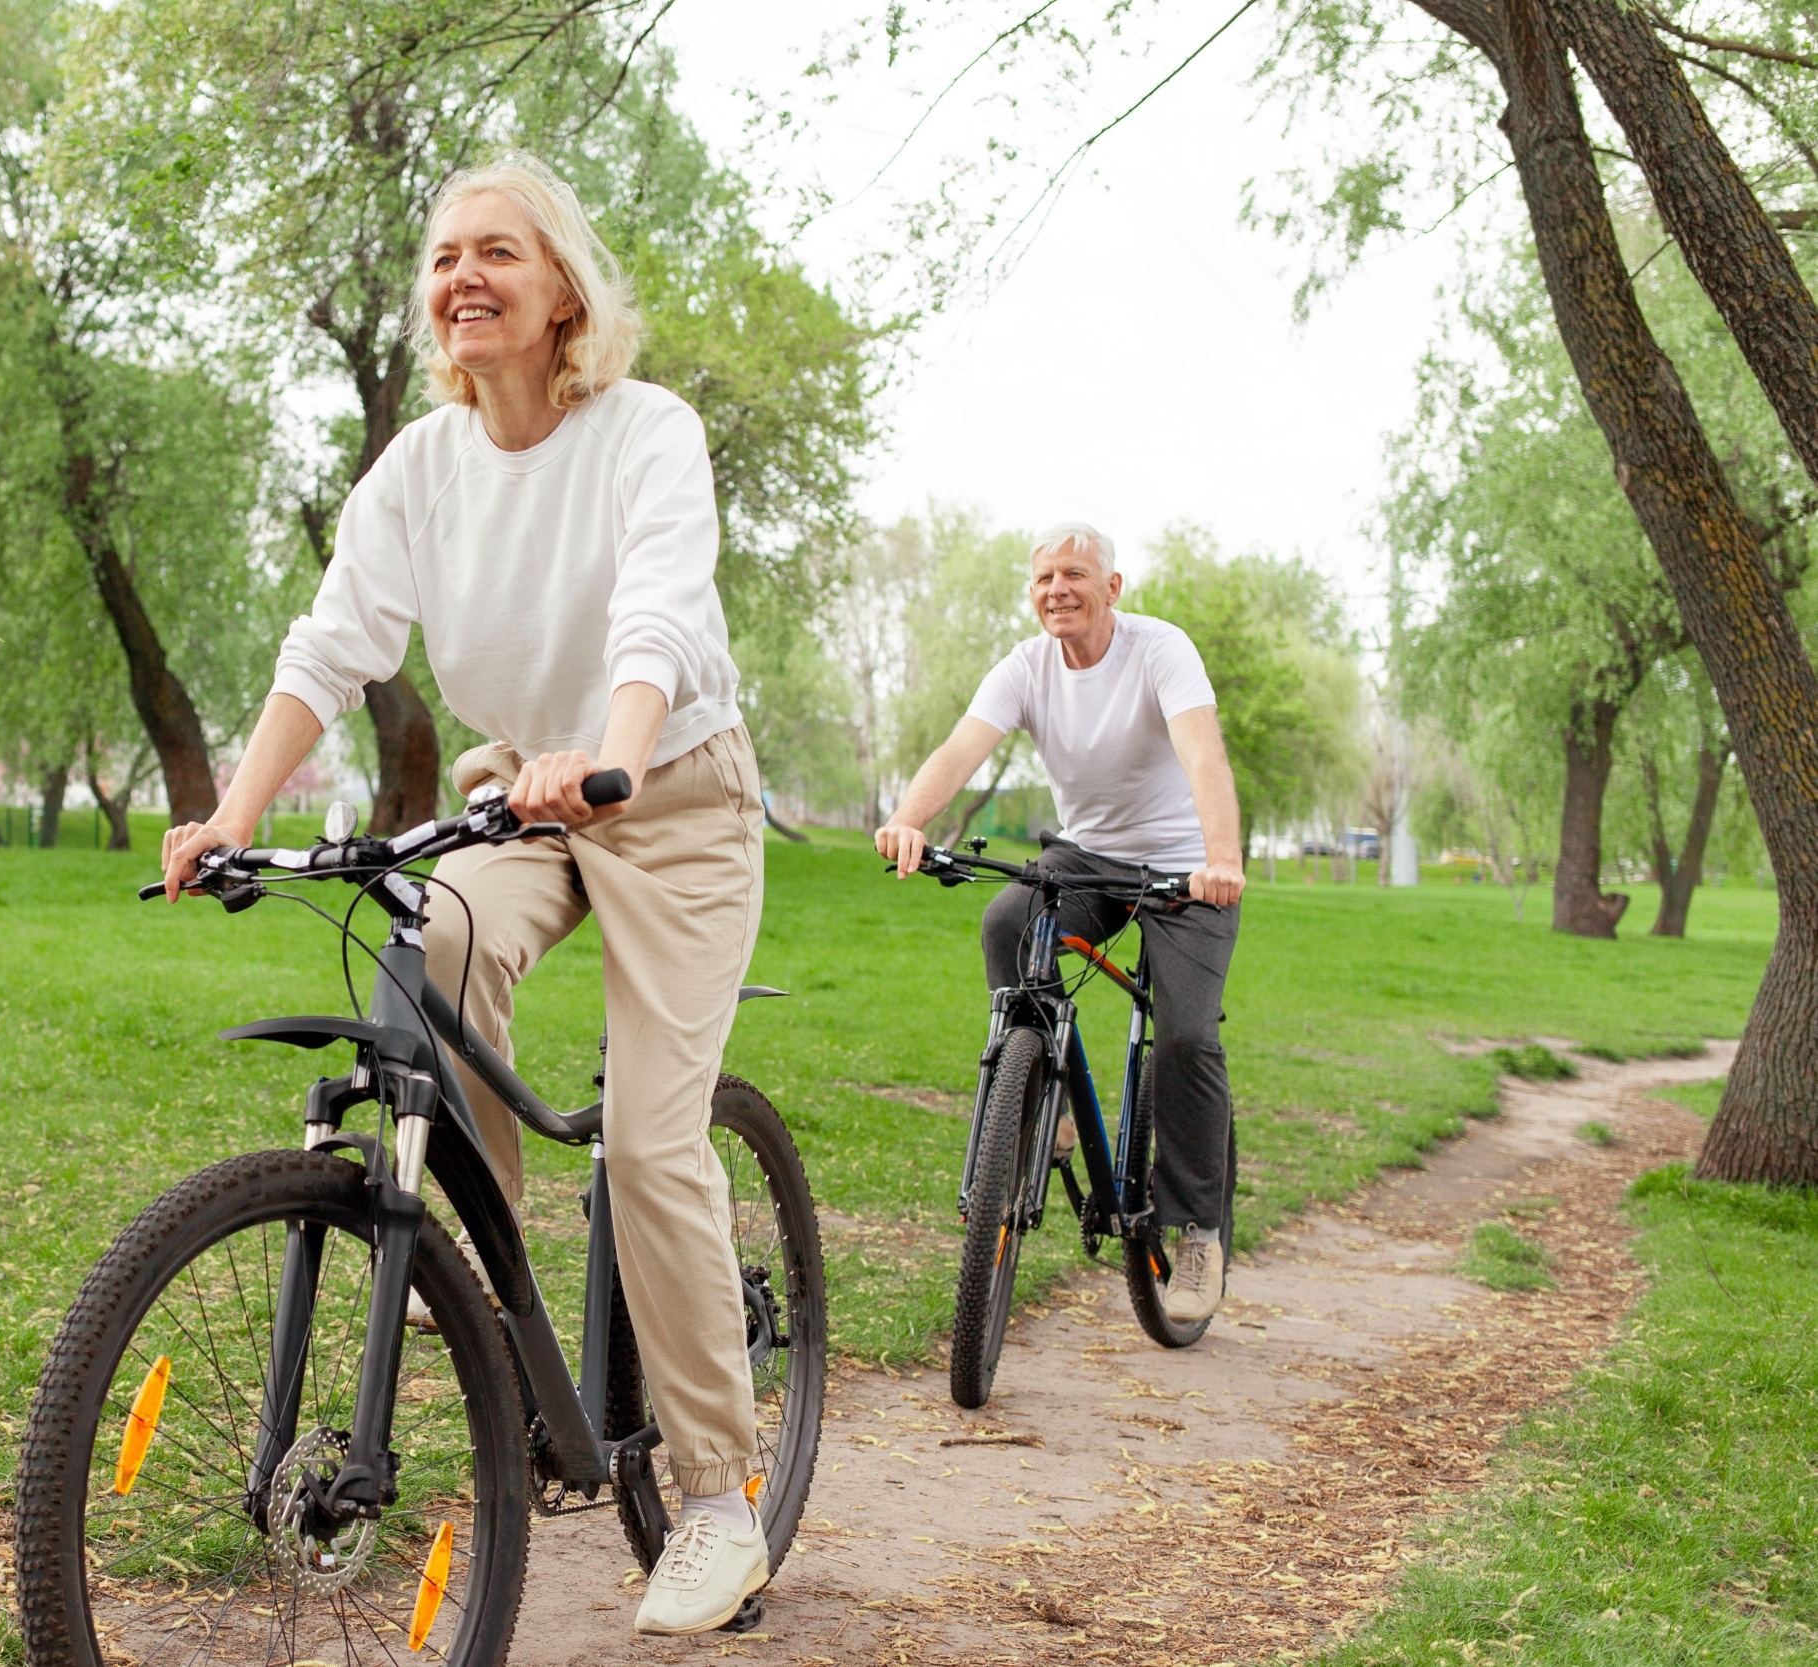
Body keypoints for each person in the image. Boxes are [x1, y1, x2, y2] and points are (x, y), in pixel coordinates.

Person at [160, 154, 772, 1636]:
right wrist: (233, 813)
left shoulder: (645, 433)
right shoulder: (423, 467)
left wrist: (611, 760)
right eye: (442, 257)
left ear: (562, 288)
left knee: (647, 1129)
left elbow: (660, 615)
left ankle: (716, 1495)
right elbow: (331, 645)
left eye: (496, 250)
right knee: (425, 944)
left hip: (667, 796)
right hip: (521, 790)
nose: (461, 278)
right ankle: (501, 1307)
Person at [875, 523, 1246, 1323]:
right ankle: (1053, 1098)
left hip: (1185, 867)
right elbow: (961, 747)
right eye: (1044, 577)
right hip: (1090, 856)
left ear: (1113, 587)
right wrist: (909, 818)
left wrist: (1221, 857)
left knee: (1184, 1035)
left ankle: (1197, 1233)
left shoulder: (1160, 650)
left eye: (1075, 574)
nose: (1057, 590)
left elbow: (1203, 755)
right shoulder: (1027, 666)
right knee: (1008, 920)